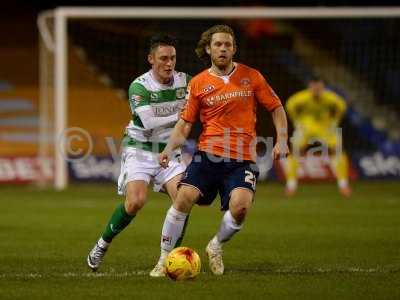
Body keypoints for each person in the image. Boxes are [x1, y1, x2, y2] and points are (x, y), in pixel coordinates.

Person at [150, 24, 289, 276]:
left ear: (234, 48)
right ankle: (163, 259)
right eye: (218, 44)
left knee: (241, 208)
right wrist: (168, 149)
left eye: (227, 44)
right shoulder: (199, 83)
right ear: (208, 49)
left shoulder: (252, 76)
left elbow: (276, 108)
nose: (223, 48)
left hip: (242, 159)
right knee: (183, 198)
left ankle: (215, 246)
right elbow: (184, 125)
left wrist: (282, 139)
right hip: (208, 155)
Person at [86, 34, 191, 276]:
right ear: (151, 59)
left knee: (183, 200)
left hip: (169, 151)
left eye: (173, 58)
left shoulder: (186, 81)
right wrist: (184, 116)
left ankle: (168, 259)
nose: (169, 63)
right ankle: (102, 245)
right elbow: (149, 121)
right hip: (140, 149)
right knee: (135, 202)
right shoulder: (140, 86)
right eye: (163, 58)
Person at [285, 76, 351, 197]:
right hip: (306, 128)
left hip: (325, 128)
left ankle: (343, 185)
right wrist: (297, 121)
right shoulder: (302, 97)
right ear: (310, 87)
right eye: (314, 87)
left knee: (337, 151)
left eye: (319, 87)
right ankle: (291, 186)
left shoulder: (330, 97)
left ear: (323, 87)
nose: (316, 89)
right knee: (295, 152)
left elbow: (342, 106)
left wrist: (335, 121)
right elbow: (289, 105)